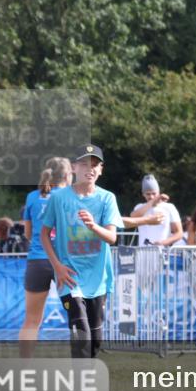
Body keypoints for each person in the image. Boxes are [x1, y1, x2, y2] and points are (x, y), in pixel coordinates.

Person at [41, 145, 124, 358]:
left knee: (95, 338)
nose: (90, 169)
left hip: (98, 278)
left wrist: (93, 226)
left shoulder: (107, 198)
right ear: (74, 168)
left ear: (101, 170)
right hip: (69, 276)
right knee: (81, 331)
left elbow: (112, 237)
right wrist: (57, 267)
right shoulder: (59, 198)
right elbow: (44, 235)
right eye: (85, 164)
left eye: (95, 165)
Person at [19, 156, 72, 357]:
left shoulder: (32, 196)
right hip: (64, 261)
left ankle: (25, 366)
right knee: (77, 316)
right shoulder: (70, 195)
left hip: (37, 261)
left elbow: (28, 232)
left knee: (31, 320)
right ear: (67, 175)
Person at [129, 174, 184, 246]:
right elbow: (132, 218)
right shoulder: (139, 207)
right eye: (148, 194)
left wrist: (163, 243)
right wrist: (152, 202)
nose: (151, 196)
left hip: (162, 252)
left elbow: (179, 233)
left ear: (159, 193)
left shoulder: (169, 207)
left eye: (154, 193)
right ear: (143, 194)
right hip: (142, 253)